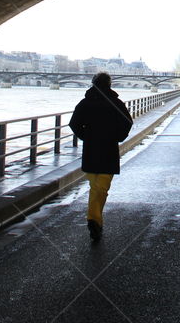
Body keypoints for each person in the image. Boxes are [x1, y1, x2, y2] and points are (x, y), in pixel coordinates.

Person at [68, 72, 133, 243]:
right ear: (109, 84)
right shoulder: (116, 103)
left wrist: (86, 136)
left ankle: (96, 220)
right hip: (108, 149)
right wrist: (117, 137)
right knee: (102, 187)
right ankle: (94, 219)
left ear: (93, 84)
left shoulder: (85, 103)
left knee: (95, 186)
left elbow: (73, 123)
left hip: (91, 150)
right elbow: (127, 122)